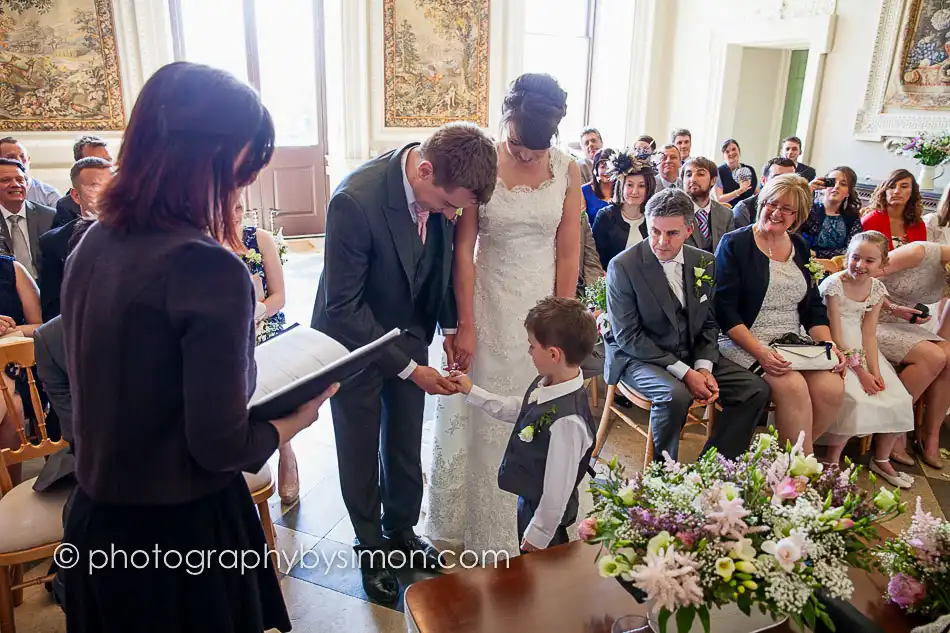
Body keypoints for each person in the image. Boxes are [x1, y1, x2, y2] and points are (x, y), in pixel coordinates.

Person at [60, 62, 334, 632]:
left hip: (96, 520)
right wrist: (292, 423)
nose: (243, 187)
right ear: (207, 161)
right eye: (242, 169)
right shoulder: (206, 266)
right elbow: (221, 444)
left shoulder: (95, 242)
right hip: (179, 536)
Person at [313, 121, 497, 601]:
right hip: (352, 344)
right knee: (359, 448)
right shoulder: (354, 200)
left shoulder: (443, 192)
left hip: (410, 333)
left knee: (403, 442)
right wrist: (411, 369)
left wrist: (452, 330)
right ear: (425, 169)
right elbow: (343, 308)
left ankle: (401, 531)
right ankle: (370, 547)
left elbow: (435, 268)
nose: (451, 213)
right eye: (447, 203)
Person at [425, 73, 583, 557]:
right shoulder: (486, 162)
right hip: (489, 303)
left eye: (537, 149)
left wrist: (559, 321)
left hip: (541, 308)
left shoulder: (567, 169)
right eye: (517, 143)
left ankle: (535, 522)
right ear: (505, 121)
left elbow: (568, 251)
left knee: (538, 408)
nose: (526, 157)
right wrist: (466, 323)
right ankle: (478, 523)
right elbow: (465, 247)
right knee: (484, 410)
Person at [604, 188, 768, 460]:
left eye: (672, 233)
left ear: (689, 230)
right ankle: (663, 476)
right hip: (639, 357)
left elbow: (709, 321)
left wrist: (703, 367)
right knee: (675, 395)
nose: (660, 241)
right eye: (655, 231)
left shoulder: (703, 261)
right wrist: (686, 373)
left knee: (755, 390)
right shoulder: (623, 266)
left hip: (691, 351)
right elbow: (629, 336)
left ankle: (714, 466)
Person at [448, 297, 597, 553]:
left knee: (543, 578)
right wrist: (473, 391)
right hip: (530, 498)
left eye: (531, 346)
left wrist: (537, 537)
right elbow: (520, 408)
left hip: (545, 520)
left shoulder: (568, 422)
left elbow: (556, 493)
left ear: (553, 354)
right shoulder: (549, 383)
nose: (528, 352)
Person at [715, 174, 846, 454]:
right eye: (771, 203)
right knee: (793, 386)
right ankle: (800, 476)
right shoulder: (735, 244)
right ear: (761, 202)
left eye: (786, 209)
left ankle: (786, 461)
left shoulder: (799, 246)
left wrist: (828, 344)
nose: (776, 212)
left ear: (797, 215)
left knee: (832, 389)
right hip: (745, 339)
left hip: (792, 341)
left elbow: (812, 306)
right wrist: (761, 352)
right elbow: (724, 311)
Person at [817, 231, 914, 487]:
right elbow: (836, 334)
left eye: (869, 261)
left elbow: (869, 333)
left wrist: (876, 369)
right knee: (856, 397)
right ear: (848, 255)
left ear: (882, 264)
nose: (860, 265)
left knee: (900, 398)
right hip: (835, 348)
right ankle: (831, 459)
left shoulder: (876, 289)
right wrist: (860, 372)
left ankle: (881, 458)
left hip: (862, 346)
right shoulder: (835, 285)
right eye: (855, 257)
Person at [227, 202, 299, 505]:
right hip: (226, 333)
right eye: (227, 207)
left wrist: (257, 312)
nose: (235, 214)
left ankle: (285, 448)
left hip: (264, 325)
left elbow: (279, 296)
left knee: (269, 367)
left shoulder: (260, 239)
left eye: (239, 206)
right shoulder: (198, 242)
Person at [875, 240, 950, 469]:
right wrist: (893, 308)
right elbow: (861, 276)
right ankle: (894, 430)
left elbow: (946, 335)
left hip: (903, 324)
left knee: (947, 356)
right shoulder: (919, 252)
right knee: (932, 357)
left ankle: (930, 434)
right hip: (870, 316)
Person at [39, 157, 113, 321]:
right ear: (76, 196)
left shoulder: (140, 234)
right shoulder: (54, 243)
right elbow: (52, 309)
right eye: (95, 186)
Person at [0, 252, 42, 487]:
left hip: (15, 364)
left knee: (13, 405)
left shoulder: (12, 269)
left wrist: (8, 331)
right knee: (12, 406)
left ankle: (8, 489)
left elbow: (40, 326)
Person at [591, 150, 656, 269]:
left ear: (649, 188)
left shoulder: (653, 218)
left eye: (641, 186)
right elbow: (593, 256)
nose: (635, 191)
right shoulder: (605, 216)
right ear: (621, 186)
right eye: (630, 185)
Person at [0, 158, 55, 279]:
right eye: (6, 180)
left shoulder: (49, 217)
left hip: (44, 288)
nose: (15, 184)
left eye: (20, 180)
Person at [799, 166, 862, 259]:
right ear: (824, 186)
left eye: (843, 184)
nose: (836, 187)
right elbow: (792, 232)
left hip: (835, 265)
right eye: (832, 182)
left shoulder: (852, 217)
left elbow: (852, 248)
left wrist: (817, 254)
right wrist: (807, 190)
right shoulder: (808, 209)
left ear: (848, 192)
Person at [52, 135, 113, 229]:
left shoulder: (128, 196)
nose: (103, 165)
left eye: (108, 160)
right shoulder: (66, 206)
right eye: (95, 161)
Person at [860, 169, 926, 249]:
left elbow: (923, 257)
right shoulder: (871, 220)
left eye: (904, 186)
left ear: (912, 192)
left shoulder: (918, 224)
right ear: (884, 191)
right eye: (892, 187)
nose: (896, 191)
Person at [682, 156, 734, 253]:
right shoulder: (673, 212)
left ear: (713, 180)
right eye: (688, 175)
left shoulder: (726, 215)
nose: (693, 179)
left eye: (700, 174)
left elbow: (729, 253)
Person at [732, 157, 796, 228]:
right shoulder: (744, 209)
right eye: (777, 178)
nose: (784, 183)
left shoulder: (797, 207)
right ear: (764, 181)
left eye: (790, 179)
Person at [0, 137, 60, 207]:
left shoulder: (49, 194)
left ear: (29, 160)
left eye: (22, 156)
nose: (19, 161)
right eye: (10, 157)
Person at [716, 138, 758, 206]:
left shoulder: (750, 169)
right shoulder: (719, 172)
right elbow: (719, 199)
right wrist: (740, 190)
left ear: (739, 150)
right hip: (727, 211)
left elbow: (756, 193)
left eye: (734, 149)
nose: (731, 153)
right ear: (723, 155)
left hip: (748, 211)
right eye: (727, 151)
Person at [581, 148, 614, 225]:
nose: (607, 171)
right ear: (595, 169)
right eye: (603, 167)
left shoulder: (623, 190)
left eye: (610, 167)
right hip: (591, 235)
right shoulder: (584, 190)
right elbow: (580, 220)